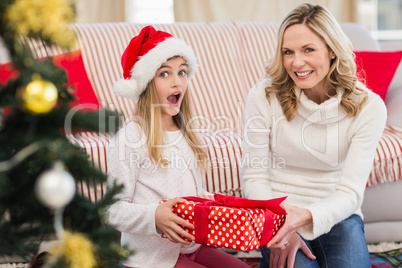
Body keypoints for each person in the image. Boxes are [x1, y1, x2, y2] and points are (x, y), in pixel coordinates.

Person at [240, 3, 386, 268]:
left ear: (331, 50)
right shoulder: (263, 96)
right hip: (276, 216)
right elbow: (253, 178)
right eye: (288, 52)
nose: (297, 62)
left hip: (337, 216)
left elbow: (350, 193)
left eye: (308, 49)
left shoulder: (369, 107)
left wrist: (306, 216)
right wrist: (284, 225)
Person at [106, 26, 250, 268]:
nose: (177, 82)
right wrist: (154, 216)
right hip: (150, 259)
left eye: (182, 72)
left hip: (192, 248)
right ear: (146, 84)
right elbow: (112, 210)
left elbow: (192, 193)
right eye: (164, 74)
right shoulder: (130, 138)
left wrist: (216, 207)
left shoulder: (187, 135)